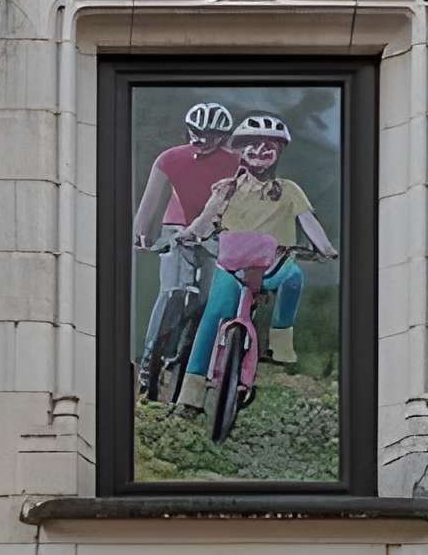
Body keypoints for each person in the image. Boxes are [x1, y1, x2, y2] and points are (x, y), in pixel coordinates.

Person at [176, 110, 336, 414]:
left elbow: (309, 222)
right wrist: (190, 234)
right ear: (241, 150)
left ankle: (280, 340)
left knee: (293, 278)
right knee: (212, 318)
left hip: (272, 263)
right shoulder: (227, 189)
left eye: (269, 147)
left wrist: (326, 249)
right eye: (253, 146)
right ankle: (191, 396)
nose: (261, 152)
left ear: (277, 154)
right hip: (233, 265)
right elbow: (206, 218)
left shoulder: (288, 190)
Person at [131, 100, 238, 370]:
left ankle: (189, 355)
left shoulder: (236, 163)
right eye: (195, 131)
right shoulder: (170, 159)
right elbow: (151, 201)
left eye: (211, 135)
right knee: (172, 289)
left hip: (218, 233)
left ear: (223, 138)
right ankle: (149, 359)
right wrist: (142, 234)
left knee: (207, 298)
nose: (201, 139)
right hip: (178, 228)